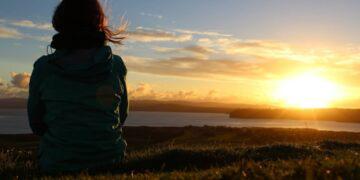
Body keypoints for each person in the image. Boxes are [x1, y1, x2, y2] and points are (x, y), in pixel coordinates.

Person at [27, 0, 128, 173]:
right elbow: (122, 116)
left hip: (57, 165)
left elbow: (37, 124)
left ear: (59, 24)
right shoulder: (115, 65)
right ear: (98, 22)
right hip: (111, 162)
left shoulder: (44, 68)